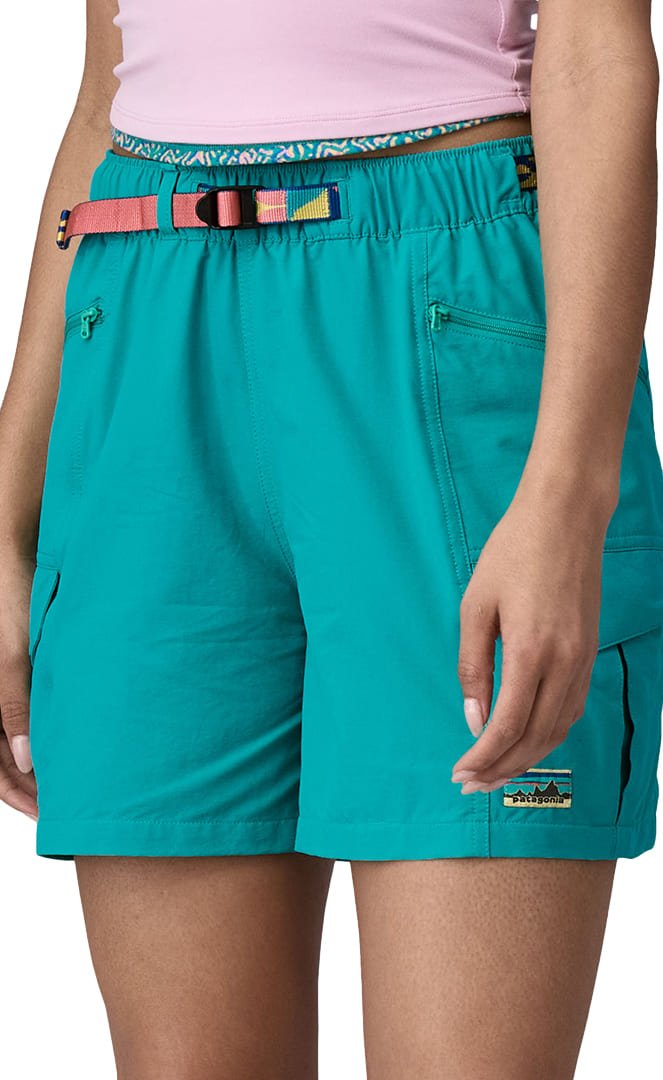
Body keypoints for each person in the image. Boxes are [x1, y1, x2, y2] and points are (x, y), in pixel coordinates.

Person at [1, 1, 662, 1076]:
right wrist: (6, 510)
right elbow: (101, 91)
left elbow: (595, 54)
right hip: (143, 314)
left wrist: (568, 492)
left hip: (439, 313)